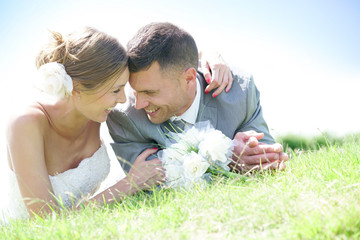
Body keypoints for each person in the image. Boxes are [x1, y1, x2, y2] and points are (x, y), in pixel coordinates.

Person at [1, 26, 232, 222]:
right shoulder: (26, 124)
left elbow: (166, 51)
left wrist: (212, 56)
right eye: (115, 90)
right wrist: (128, 185)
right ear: (77, 88)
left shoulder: (98, 112)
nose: (124, 99)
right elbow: (45, 222)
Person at [107, 22, 288, 174]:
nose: (139, 104)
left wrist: (254, 153)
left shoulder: (240, 92)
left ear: (189, 78)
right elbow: (150, 187)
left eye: (150, 92)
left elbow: (268, 163)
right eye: (136, 91)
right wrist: (226, 158)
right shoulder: (125, 117)